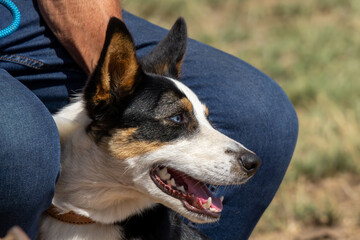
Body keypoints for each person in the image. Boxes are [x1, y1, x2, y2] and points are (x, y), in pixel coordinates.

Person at [0, 0, 298, 239]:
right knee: (22, 149)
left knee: (259, 114)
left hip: (23, 13)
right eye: (179, 119)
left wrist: (131, 87)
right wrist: (123, 92)